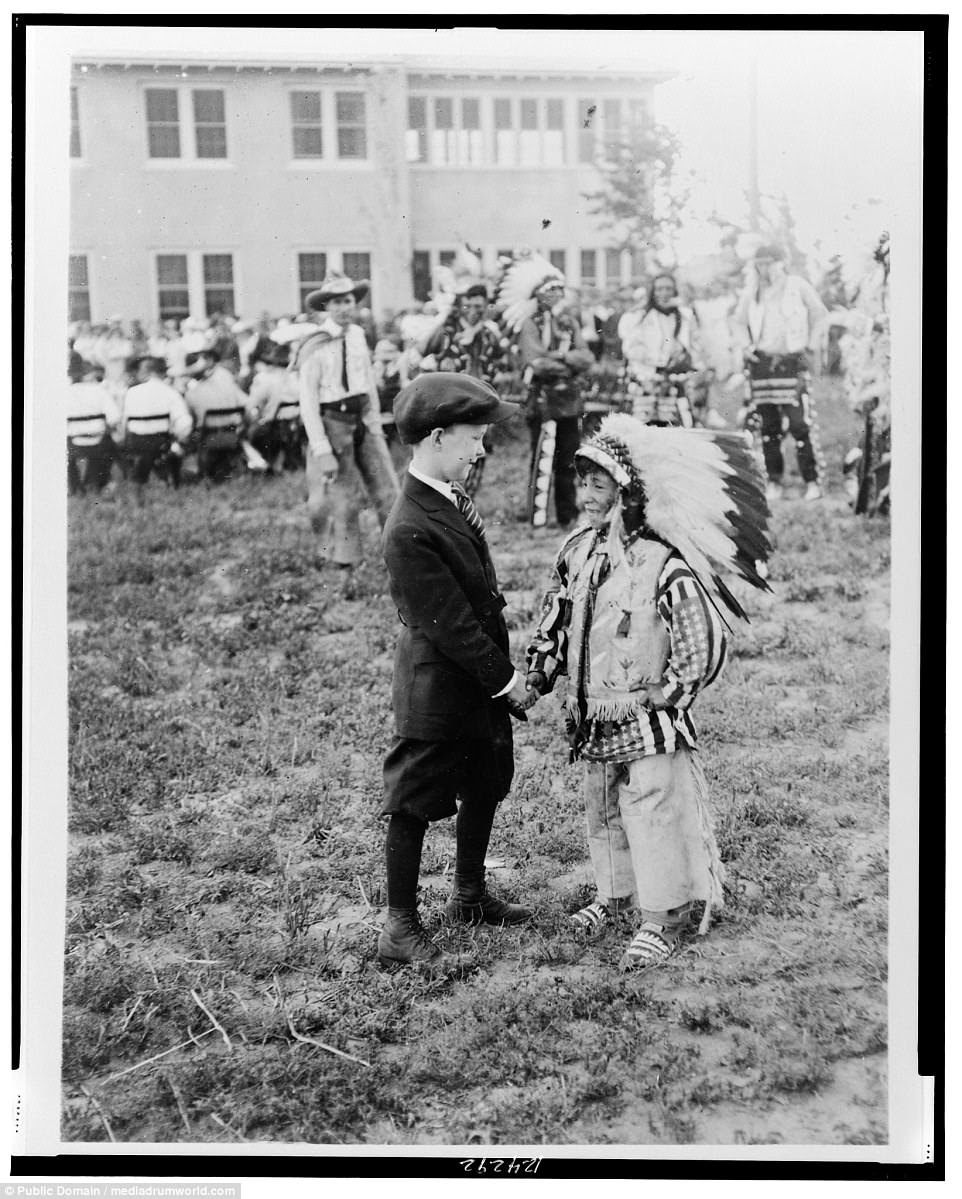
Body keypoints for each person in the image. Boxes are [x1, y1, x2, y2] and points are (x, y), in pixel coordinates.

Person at [525, 414, 771, 968]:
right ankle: (613, 896)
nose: (586, 495)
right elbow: (556, 619)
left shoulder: (662, 561)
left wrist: (674, 690)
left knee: (652, 807)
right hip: (592, 712)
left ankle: (662, 915)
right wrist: (540, 674)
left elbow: (698, 633)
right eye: (580, 482)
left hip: (648, 717)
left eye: (599, 485)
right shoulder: (577, 552)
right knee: (603, 809)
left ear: (628, 492)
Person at [377, 373, 536, 973]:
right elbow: (451, 626)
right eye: (473, 438)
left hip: (472, 679)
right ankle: (400, 927)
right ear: (438, 437)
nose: (481, 449)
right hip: (439, 687)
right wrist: (507, 679)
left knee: (486, 778)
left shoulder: (444, 496)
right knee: (413, 799)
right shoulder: (409, 525)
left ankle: (468, 896)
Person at [297, 270, 399, 568]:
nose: (343, 308)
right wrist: (321, 448)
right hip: (332, 422)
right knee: (342, 495)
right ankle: (344, 561)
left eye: (348, 301)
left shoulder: (357, 335)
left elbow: (366, 382)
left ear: (355, 303)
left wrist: (375, 425)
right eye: (337, 302)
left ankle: (399, 553)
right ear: (326, 306)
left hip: (363, 419)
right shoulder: (314, 343)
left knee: (387, 487)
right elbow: (308, 400)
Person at [500, 256, 593, 528]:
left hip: (569, 401)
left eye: (558, 289)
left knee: (569, 458)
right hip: (542, 401)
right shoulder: (530, 324)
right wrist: (567, 360)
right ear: (537, 294)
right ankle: (537, 518)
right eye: (549, 290)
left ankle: (568, 516)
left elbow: (586, 357)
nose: (554, 295)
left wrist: (559, 357)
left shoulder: (568, 322)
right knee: (542, 457)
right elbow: (536, 362)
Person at [733, 244, 829, 501]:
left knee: (799, 423)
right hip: (763, 364)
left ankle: (812, 481)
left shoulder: (797, 285)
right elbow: (739, 322)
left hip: (791, 361)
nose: (765, 269)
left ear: (782, 262)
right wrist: (746, 347)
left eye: (769, 263)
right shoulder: (752, 291)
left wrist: (811, 344)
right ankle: (774, 480)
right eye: (760, 263)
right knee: (769, 425)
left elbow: (820, 314)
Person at [618, 274, 702, 426]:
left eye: (669, 289)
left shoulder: (685, 316)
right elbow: (630, 348)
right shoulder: (639, 316)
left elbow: (696, 345)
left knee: (676, 428)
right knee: (644, 429)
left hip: (675, 382)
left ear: (675, 291)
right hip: (646, 381)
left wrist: (682, 357)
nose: (664, 293)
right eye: (659, 289)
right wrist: (655, 361)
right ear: (653, 292)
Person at [121, 356, 193, 500]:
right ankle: (172, 481)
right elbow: (184, 422)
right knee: (177, 443)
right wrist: (179, 438)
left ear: (146, 371)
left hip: (135, 443)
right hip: (161, 442)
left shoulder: (131, 392)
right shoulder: (171, 392)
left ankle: (140, 482)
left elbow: (125, 422)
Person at [183, 348, 252, 481]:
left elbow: (189, 420)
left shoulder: (191, 394)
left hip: (208, 438)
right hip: (234, 434)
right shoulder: (229, 386)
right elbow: (247, 404)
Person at [419, 284, 505, 383]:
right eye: (467, 306)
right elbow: (415, 355)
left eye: (478, 306)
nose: (472, 311)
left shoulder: (490, 334)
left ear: (486, 306)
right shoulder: (445, 332)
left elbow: (503, 365)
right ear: (460, 306)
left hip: (483, 394)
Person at [244, 341, 303, 471]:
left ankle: (261, 463)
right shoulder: (297, 378)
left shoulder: (264, 378)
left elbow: (251, 405)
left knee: (246, 433)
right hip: (298, 424)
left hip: (273, 427)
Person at [67, 360, 121, 495]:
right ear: (88, 375)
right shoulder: (99, 391)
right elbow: (115, 417)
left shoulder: (64, 392)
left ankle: (74, 486)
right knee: (110, 444)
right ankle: (95, 482)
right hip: (98, 441)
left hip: (72, 442)